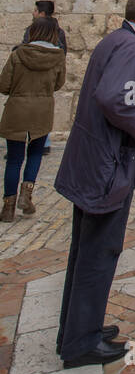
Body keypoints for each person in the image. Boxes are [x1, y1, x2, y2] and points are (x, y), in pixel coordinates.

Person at [53, 0, 135, 368]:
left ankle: (77, 329)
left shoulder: (114, 39)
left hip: (95, 161)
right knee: (100, 251)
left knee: (85, 249)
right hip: (106, 165)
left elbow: (121, 93)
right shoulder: (130, 47)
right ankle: (81, 343)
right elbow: (115, 99)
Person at [1, 16, 66, 221]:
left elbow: (4, 85)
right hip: (42, 110)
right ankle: (26, 195)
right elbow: (59, 84)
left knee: (14, 158)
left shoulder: (18, 53)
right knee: (35, 153)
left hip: (17, 109)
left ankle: (8, 208)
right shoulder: (58, 57)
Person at [23, 0, 66, 153]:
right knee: (43, 110)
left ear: (41, 13)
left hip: (30, 78)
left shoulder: (31, 30)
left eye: (35, 10)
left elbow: (23, 50)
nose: (33, 13)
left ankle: (31, 141)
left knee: (28, 109)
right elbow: (62, 55)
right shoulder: (59, 32)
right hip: (47, 79)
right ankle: (43, 142)